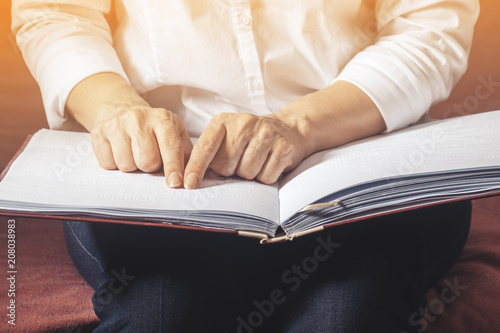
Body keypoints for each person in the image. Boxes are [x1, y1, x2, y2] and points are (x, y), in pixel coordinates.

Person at [12, 1, 479, 332]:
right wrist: (114, 109)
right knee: (163, 311)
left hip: (359, 145)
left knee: (352, 312)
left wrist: (299, 125)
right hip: (159, 171)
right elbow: (54, 13)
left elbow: (430, 24)